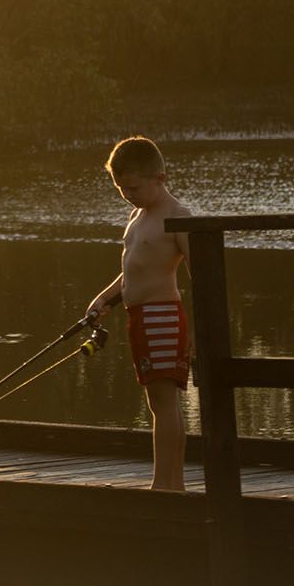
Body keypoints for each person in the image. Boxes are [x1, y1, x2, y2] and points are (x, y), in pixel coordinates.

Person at [85, 136, 191, 491]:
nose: (127, 195)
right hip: (139, 316)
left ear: (160, 177)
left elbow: (201, 274)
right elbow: (132, 270)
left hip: (163, 316)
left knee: (164, 401)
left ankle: (166, 485)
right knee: (156, 401)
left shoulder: (178, 217)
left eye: (132, 187)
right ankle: (169, 485)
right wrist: (104, 299)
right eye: (120, 188)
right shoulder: (137, 216)